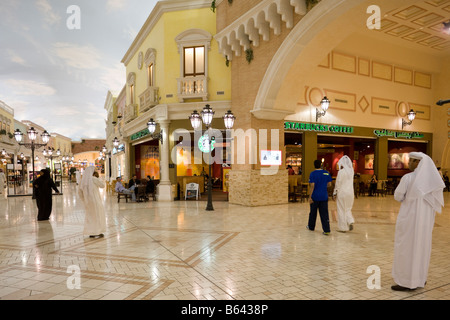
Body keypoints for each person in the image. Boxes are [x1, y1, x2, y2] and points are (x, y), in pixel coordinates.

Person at [391, 152, 445, 291]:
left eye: (411, 161)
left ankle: (406, 282)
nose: (409, 164)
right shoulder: (433, 181)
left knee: (406, 248)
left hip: (409, 220)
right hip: (426, 222)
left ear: (418, 163)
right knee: (422, 246)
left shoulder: (408, 178)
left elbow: (397, 196)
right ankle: (420, 278)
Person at [78, 166, 106, 238]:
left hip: (88, 202)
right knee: (97, 215)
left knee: (90, 216)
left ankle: (91, 231)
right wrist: (98, 178)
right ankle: (97, 231)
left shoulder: (82, 181)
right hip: (95, 201)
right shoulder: (93, 179)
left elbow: (80, 192)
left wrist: (84, 200)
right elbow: (102, 185)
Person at [307, 159, 332, 235]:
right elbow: (329, 184)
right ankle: (326, 230)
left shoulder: (312, 174)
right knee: (324, 214)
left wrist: (310, 197)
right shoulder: (326, 173)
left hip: (315, 196)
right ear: (321, 165)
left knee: (313, 213)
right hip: (324, 196)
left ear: (314, 165)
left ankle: (311, 227)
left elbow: (312, 186)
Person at [333, 156, 355, 232]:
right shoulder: (351, 171)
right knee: (348, 208)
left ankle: (343, 228)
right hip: (350, 193)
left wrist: (334, 192)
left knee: (341, 209)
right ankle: (350, 220)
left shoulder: (341, 172)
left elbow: (338, 183)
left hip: (342, 193)